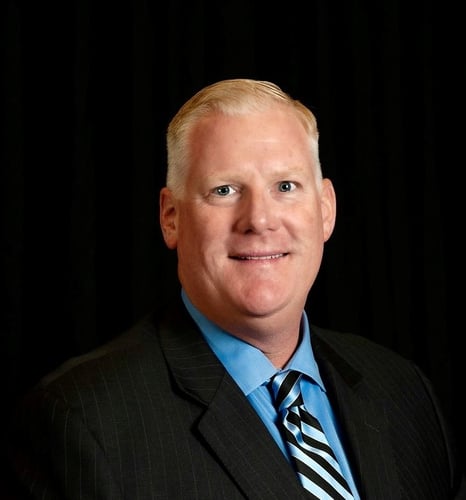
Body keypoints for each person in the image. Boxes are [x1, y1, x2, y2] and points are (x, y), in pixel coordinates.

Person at [7, 78, 465, 499]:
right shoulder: (83, 421)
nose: (259, 220)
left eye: (286, 186)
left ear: (325, 210)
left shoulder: (404, 392)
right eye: (224, 190)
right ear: (171, 217)